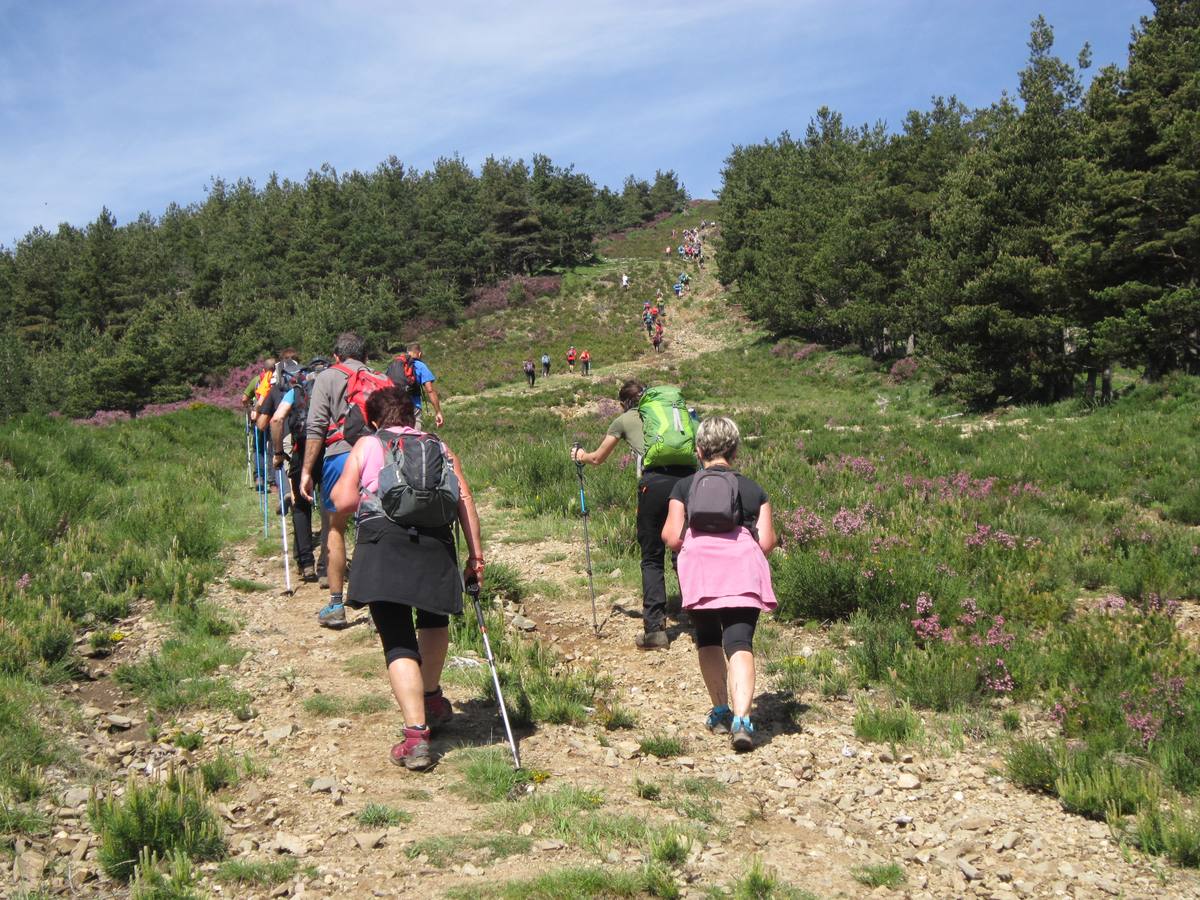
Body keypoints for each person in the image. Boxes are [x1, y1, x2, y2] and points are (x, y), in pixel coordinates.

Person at [330, 387, 484, 770]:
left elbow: (344, 501)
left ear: (374, 418)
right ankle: (431, 696)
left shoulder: (367, 444)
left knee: (397, 637)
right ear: (412, 415)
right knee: (433, 619)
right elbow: (464, 499)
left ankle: (416, 737)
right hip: (436, 542)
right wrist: (476, 556)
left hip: (384, 543)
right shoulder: (439, 446)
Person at [662, 416, 776, 751]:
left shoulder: (684, 487)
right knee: (739, 641)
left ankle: (721, 710)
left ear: (699, 451)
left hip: (700, 571)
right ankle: (743, 720)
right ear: (734, 450)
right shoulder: (753, 489)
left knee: (708, 638)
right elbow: (766, 541)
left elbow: (670, 536)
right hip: (742, 570)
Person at [571, 380, 696, 649]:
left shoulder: (624, 419)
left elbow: (597, 458)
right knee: (684, 548)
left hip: (654, 485)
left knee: (652, 557)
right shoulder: (672, 412)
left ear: (623, 402)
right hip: (688, 481)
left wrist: (580, 455)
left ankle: (655, 630)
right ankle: (697, 613)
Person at [300, 332, 371, 629]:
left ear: (336, 356)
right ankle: (377, 602)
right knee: (373, 526)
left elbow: (316, 427)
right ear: (363, 356)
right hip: (374, 456)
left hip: (339, 456)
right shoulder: (376, 376)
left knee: (336, 527)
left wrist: (306, 470)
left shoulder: (327, 377)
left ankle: (336, 605)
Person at [271, 358, 330, 585]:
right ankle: (326, 566)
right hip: (327, 449)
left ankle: (306, 563)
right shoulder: (329, 389)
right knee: (328, 507)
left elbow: (277, 419)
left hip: (301, 449)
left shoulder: (295, 389)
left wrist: (278, 452)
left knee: (301, 506)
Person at [400, 343, 445, 432]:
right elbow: (430, 390)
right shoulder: (420, 366)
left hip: (396, 405)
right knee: (413, 437)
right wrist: (438, 412)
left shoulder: (396, 365)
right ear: (419, 354)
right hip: (413, 407)